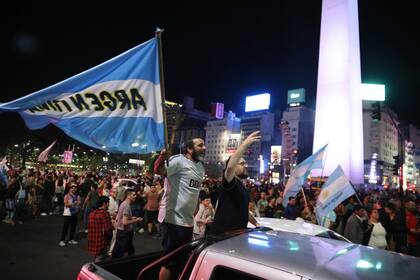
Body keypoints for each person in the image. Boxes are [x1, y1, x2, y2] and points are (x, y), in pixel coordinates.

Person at [154, 138, 206, 280]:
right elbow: (159, 170)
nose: (204, 147)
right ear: (189, 149)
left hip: (187, 221)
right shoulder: (178, 160)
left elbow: (194, 190)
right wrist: (161, 157)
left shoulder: (200, 167)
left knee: (181, 260)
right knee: (170, 262)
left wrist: (196, 206)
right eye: (200, 145)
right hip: (172, 218)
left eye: (204, 145)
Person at [211, 131, 261, 235]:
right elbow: (230, 167)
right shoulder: (230, 182)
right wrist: (244, 144)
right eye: (242, 163)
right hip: (223, 235)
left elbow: (243, 210)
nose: (245, 166)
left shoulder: (241, 185)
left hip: (238, 234)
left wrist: (256, 223)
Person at [111, 188, 142, 258]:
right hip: (124, 233)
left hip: (123, 232)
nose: (135, 196)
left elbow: (122, 217)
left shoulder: (124, 203)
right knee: (119, 253)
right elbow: (125, 222)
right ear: (128, 196)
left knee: (128, 251)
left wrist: (132, 218)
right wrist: (136, 220)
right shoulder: (126, 206)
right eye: (133, 195)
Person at [88, 196, 113, 262]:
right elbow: (107, 229)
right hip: (102, 241)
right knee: (100, 259)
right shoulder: (105, 213)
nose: (109, 205)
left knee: (97, 256)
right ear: (104, 203)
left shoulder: (91, 213)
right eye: (108, 203)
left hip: (93, 240)